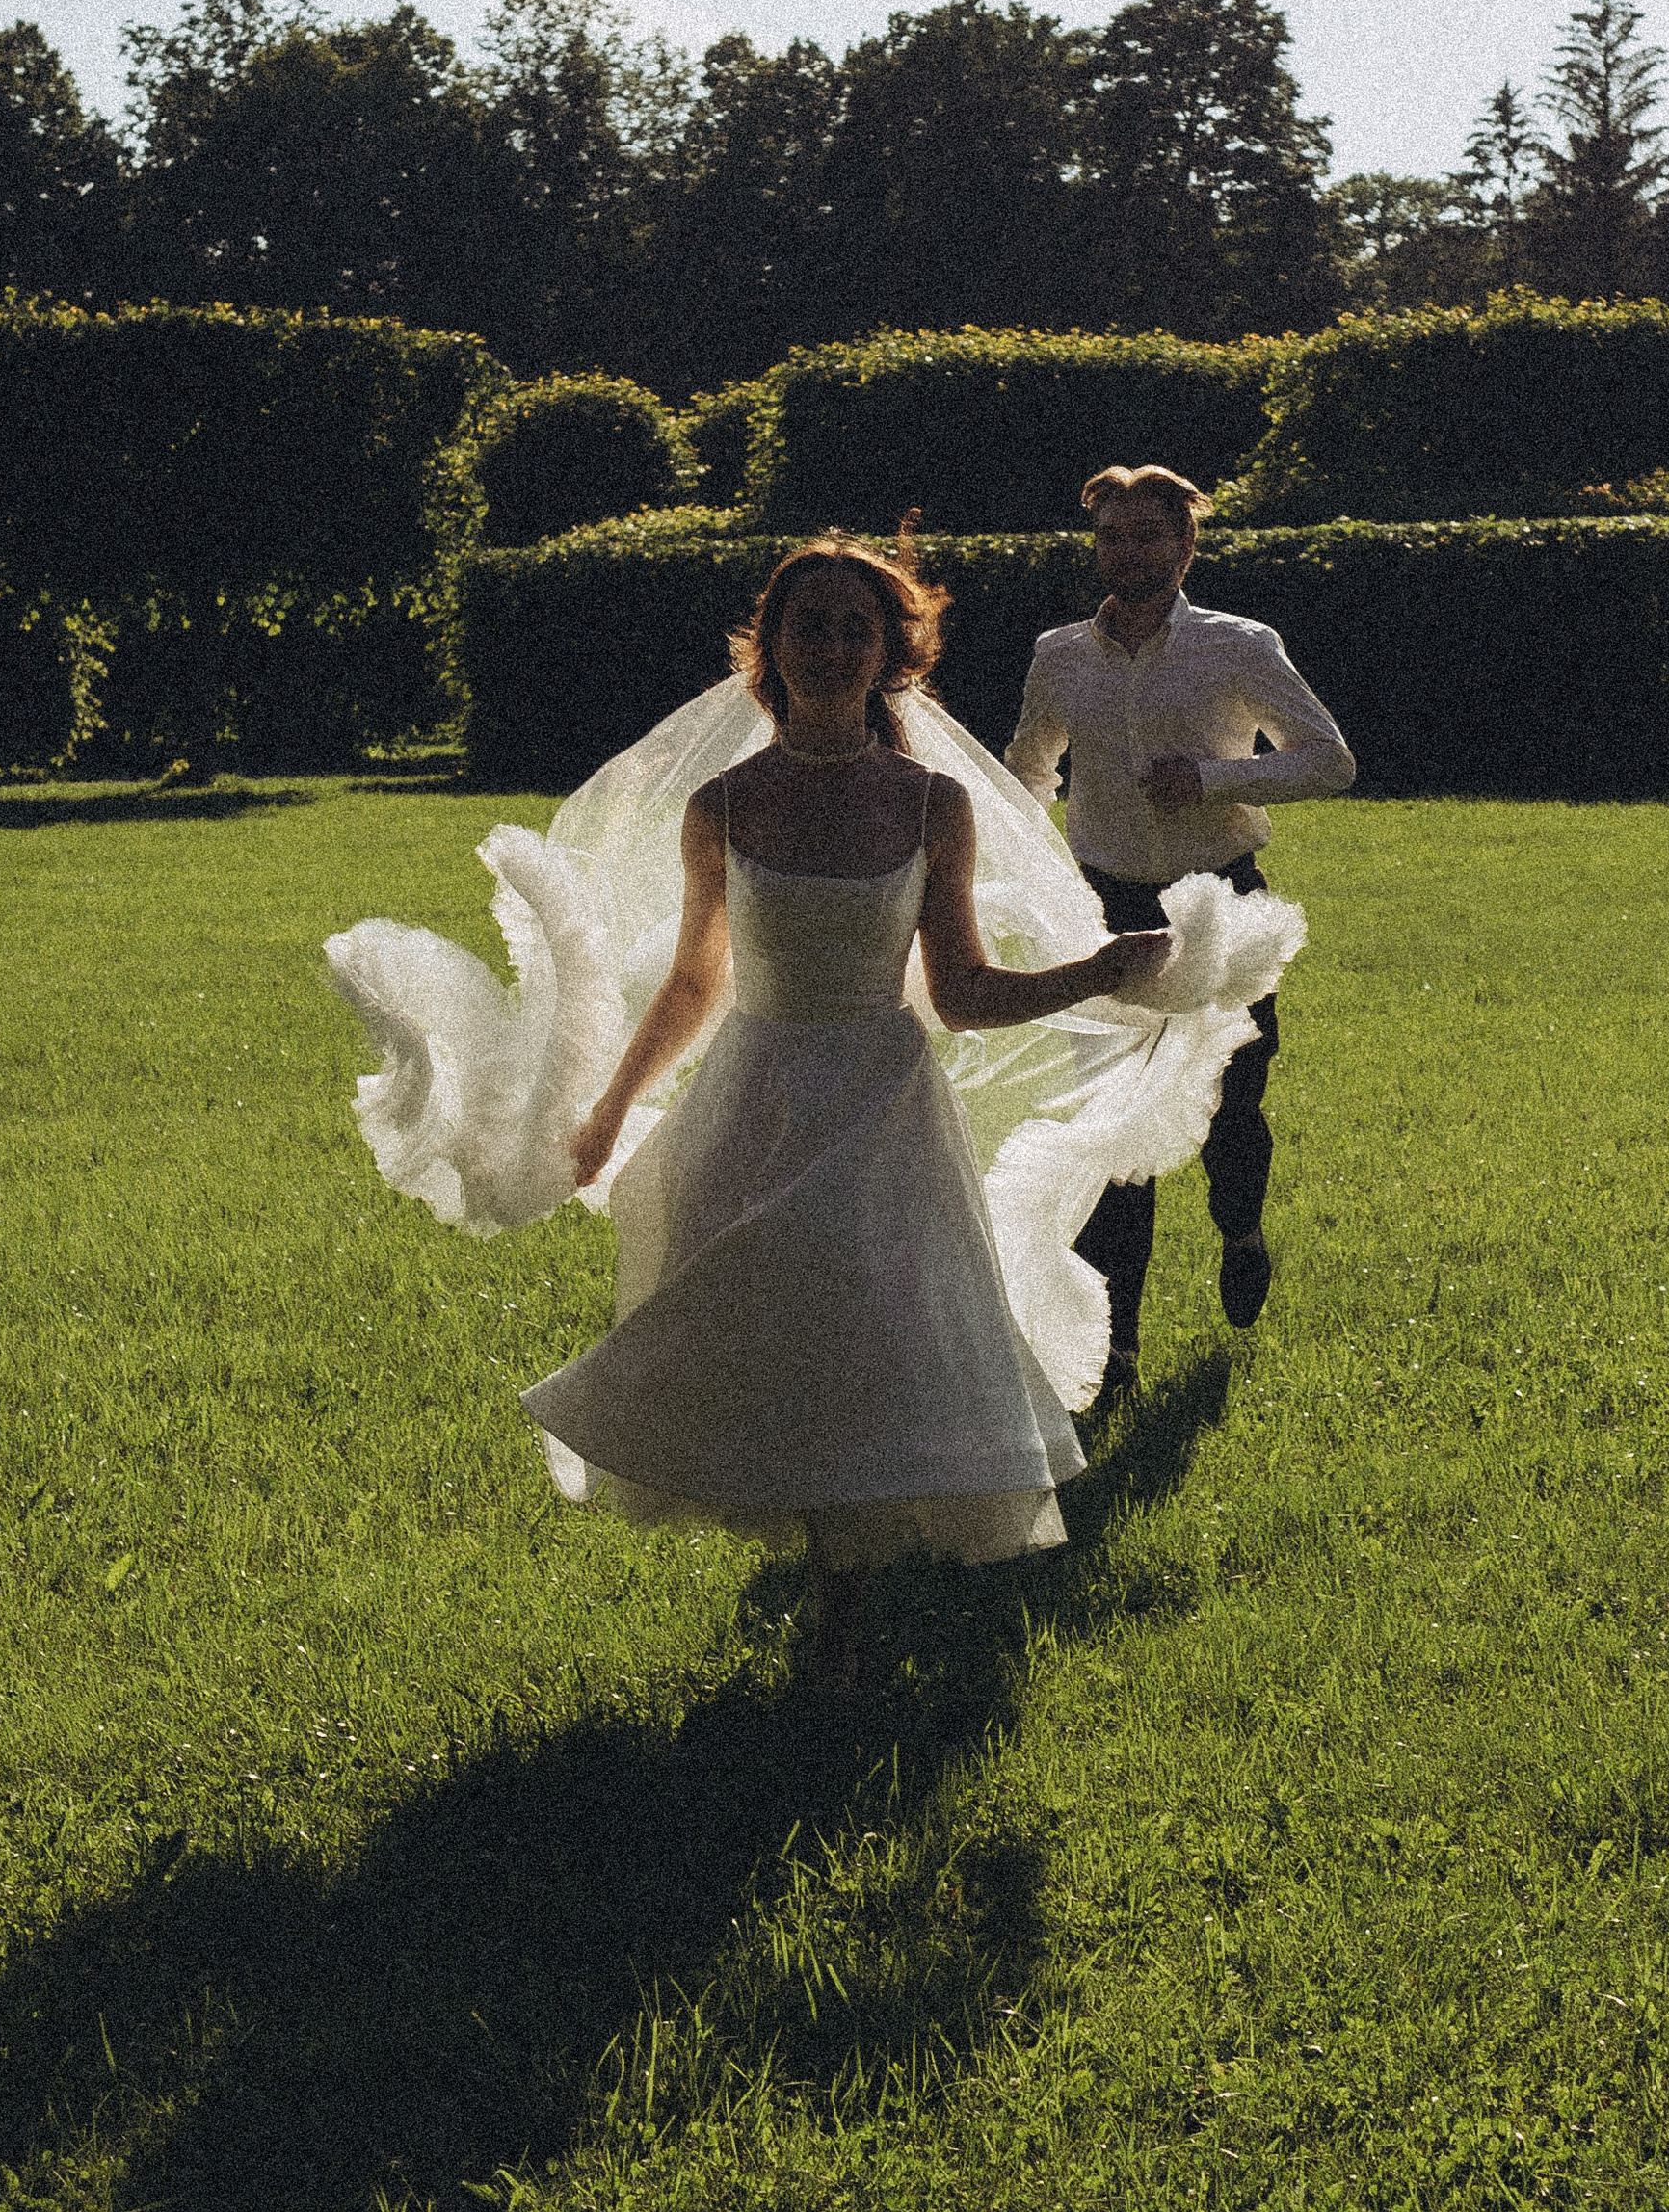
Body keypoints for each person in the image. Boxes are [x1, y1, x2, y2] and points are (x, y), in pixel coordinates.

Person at [326, 540, 1302, 1691]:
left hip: (884, 1104)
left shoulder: (934, 804)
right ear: (771, 650)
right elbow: (697, 981)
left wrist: (1100, 972)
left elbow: (964, 991)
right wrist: (609, 1108)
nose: (833, 648)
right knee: (771, 1321)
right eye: (812, 627)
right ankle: (813, 1559)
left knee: (867, 1315)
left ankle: (840, 1609)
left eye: (857, 629)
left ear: (892, 655)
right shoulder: (724, 804)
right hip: (755, 1097)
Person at [1004, 464, 1356, 1399]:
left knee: (1233, 1102)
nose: (1131, 553)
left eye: (1149, 536)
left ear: (1184, 545)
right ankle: (1116, 1345)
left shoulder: (1238, 646)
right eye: (1114, 536)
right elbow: (1029, 771)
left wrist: (1210, 778)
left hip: (1221, 903)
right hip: (1107, 913)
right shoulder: (1058, 657)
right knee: (1117, 1132)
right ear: (1098, 547)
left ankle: (1239, 1229)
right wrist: (1009, 863)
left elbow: (1329, 761)